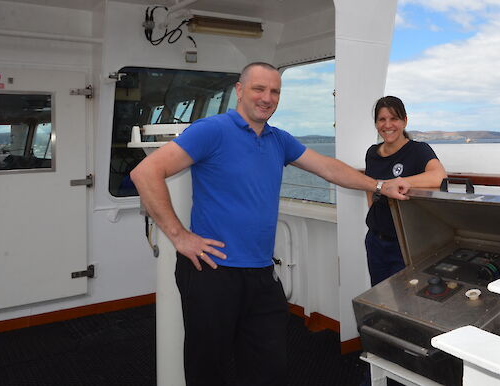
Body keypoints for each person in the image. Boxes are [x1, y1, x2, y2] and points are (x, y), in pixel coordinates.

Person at [130, 62, 410, 386]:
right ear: (239, 90)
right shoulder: (212, 130)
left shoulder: (279, 140)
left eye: (275, 91)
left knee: (268, 367)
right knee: (208, 367)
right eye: (258, 89)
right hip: (212, 271)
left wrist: (379, 185)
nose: (267, 97)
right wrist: (179, 236)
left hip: (261, 274)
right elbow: (145, 172)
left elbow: (329, 168)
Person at [364, 96, 447, 286]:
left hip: (405, 244)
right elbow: (369, 187)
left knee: (406, 300)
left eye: (394, 118)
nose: (388, 125)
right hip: (376, 241)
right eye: (382, 119)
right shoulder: (372, 153)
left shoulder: (418, 150)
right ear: (376, 123)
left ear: (404, 121)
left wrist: (399, 182)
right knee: (379, 295)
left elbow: (439, 176)